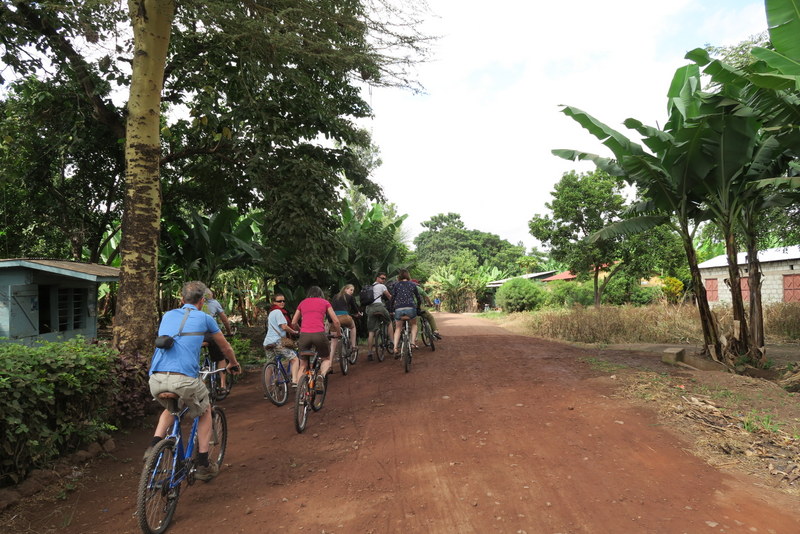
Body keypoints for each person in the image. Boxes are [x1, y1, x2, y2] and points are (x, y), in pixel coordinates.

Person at [145, 281, 241, 481]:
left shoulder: (167, 315)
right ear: (202, 301)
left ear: (182, 299)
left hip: (156, 379)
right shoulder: (205, 318)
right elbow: (225, 347)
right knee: (205, 411)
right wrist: (233, 363)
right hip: (184, 381)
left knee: (172, 408)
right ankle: (203, 463)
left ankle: (153, 446)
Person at [291, 286, 341, 382]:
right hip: (319, 334)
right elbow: (336, 321)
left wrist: (300, 330)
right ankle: (321, 376)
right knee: (326, 359)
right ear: (320, 294)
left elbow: (293, 322)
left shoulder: (303, 302)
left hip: (304, 335)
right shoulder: (325, 302)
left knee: (302, 365)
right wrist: (338, 333)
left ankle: (299, 387)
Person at [263, 293, 300, 386]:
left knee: (270, 365)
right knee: (295, 359)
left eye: (283, 301)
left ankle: (267, 388)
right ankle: (295, 381)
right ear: (273, 302)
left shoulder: (271, 313)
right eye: (279, 301)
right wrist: (294, 332)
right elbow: (284, 326)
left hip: (267, 342)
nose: (282, 303)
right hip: (277, 342)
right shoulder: (278, 312)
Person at [203, 289, 234, 391]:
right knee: (221, 357)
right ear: (210, 295)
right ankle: (222, 385)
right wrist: (229, 331)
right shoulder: (214, 303)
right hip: (210, 335)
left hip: (195, 336)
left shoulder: (193, 304)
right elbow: (224, 319)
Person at [390, 269, 422, 357]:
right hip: (410, 308)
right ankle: (412, 343)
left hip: (398, 309)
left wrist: (391, 310)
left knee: (398, 328)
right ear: (408, 275)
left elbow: (392, 298)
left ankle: (395, 348)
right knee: (414, 325)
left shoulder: (396, 285)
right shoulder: (413, 284)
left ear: (399, 276)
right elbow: (418, 297)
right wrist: (418, 307)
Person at [330, 283, 361, 363]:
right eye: (351, 290)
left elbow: (331, 309)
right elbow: (354, 307)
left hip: (335, 319)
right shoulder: (349, 297)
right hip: (345, 318)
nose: (352, 292)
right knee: (353, 327)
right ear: (345, 289)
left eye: (353, 290)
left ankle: (330, 363)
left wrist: (330, 321)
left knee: (333, 342)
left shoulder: (335, 297)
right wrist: (358, 313)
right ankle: (353, 346)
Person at [365, 272, 392, 361]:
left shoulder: (370, 287)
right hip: (379, 307)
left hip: (370, 309)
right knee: (389, 322)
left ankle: (369, 353)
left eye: (384, 279)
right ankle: (392, 342)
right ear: (377, 278)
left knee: (371, 332)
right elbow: (389, 296)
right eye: (382, 278)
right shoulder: (382, 286)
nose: (383, 280)